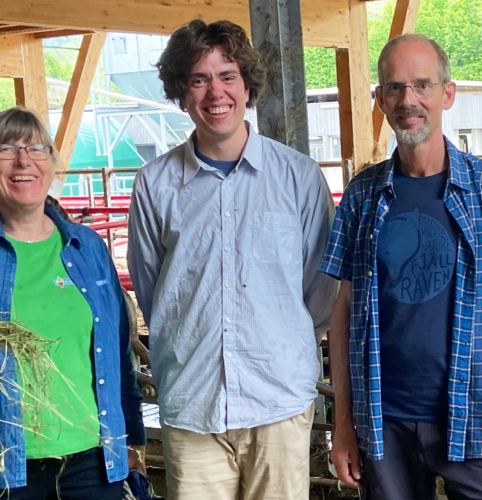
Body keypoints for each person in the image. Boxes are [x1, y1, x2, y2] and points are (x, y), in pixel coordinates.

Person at [322, 34, 482, 500]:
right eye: (394, 88)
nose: (408, 100)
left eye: (422, 86)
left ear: (447, 94)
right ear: (380, 100)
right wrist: (344, 424)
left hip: (477, 417)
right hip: (383, 420)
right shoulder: (361, 195)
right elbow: (343, 311)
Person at [126, 19, 339, 500]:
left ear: (247, 85)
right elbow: (153, 286)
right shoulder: (155, 185)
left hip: (277, 398)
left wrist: (280, 343)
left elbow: (320, 289)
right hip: (193, 400)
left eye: (226, 76)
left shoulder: (298, 178)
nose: (214, 92)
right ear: (182, 91)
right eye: (198, 79)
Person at [0, 107, 145, 500]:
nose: (23, 161)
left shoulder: (88, 246)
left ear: (52, 163)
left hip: (93, 457)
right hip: (3, 459)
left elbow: (117, 350)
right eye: (7, 149)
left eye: (36, 149)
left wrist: (132, 439)